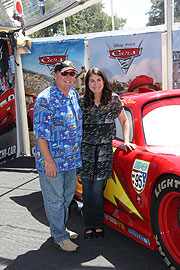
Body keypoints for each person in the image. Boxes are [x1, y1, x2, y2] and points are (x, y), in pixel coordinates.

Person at [78, 67, 135, 240]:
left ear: (104, 81)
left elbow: (125, 121)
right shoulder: (81, 101)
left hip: (104, 151)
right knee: (87, 190)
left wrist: (126, 140)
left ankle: (98, 223)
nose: (96, 84)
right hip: (85, 150)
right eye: (92, 81)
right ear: (87, 84)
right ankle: (89, 225)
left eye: (99, 80)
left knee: (97, 190)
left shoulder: (113, 99)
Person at [33, 60, 82, 252]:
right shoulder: (45, 99)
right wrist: (48, 162)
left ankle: (61, 228)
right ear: (55, 75)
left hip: (71, 160)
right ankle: (59, 236)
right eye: (65, 74)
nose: (69, 77)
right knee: (54, 199)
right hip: (53, 162)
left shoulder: (73, 95)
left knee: (66, 197)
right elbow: (40, 135)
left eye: (72, 74)